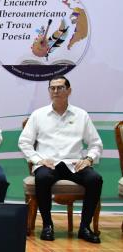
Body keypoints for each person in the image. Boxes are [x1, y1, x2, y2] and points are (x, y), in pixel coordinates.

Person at [18, 76, 103, 243]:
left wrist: (88, 159)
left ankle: (85, 227)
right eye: (52, 88)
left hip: (74, 164)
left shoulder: (81, 115)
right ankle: (47, 226)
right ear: (49, 91)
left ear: (69, 91)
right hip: (49, 164)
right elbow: (24, 142)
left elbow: (96, 143)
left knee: (95, 179)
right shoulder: (38, 114)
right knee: (42, 178)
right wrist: (38, 159)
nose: (55, 91)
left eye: (60, 88)